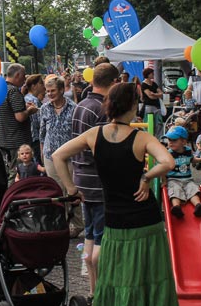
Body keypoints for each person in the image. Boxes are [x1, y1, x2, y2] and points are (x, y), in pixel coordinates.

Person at [53, 83, 178, 305]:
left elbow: (58, 156)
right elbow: (168, 162)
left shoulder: (94, 135)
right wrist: (146, 178)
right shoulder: (141, 137)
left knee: (117, 277)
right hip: (145, 220)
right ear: (132, 106)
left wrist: (71, 189)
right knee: (149, 277)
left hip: (113, 220)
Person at [69, 62, 119, 295]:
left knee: (90, 235)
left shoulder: (81, 105)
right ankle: (102, 289)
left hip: (81, 178)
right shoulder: (102, 110)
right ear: (113, 83)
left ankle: (93, 290)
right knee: (101, 237)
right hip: (97, 180)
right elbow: (104, 148)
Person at [0, 64, 39, 180]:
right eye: (24, 77)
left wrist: (22, 106)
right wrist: (30, 110)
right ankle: (13, 196)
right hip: (17, 141)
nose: (24, 81)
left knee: (10, 171)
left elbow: (6, 112)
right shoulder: (13, 91)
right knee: (17, 174)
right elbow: (20, 117)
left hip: (4, 139)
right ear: (18, 75)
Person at [39, 76, 76, 188]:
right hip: (50, 156)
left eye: (53, 90)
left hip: (69, 157)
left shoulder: (73, 108)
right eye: (48, 91)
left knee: (71, 189)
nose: (49, 94)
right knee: (55, 189)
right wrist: (42, 153)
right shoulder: (44, 108)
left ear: (61, 90)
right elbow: (42, 133)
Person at [163, 126, 201, 218]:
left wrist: (200, 160)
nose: (170, 142)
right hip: (173, 179)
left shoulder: (188, 151)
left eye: (174, 140)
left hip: (188, 179)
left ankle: (198, 205)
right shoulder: (168, 153)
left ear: (183, 142)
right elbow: (163, 167)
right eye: (169, 140)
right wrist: (164, 181)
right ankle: (176, 207)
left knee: (193, 190)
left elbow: (192, 160)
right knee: (175, 191)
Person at [23, 74, 45, 164]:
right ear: (33, 86)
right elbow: (38, 122)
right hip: (35, 137)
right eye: (41, 83)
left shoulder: (27, 98)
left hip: (31, 136)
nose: (43, 85)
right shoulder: (33, 100)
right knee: (38, 161)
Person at [141, 68, 163, 138]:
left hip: (157, 106)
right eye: (152, 73)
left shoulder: (154, 83)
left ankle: (159, 138)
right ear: (148, 74)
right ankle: (149, 138)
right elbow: (150, 96)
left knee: (159, 123)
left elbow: (161, 93)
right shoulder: (144, 84)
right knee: (149, 124)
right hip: (149, 106)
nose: (153, 75)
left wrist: (154, 94)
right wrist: (157, 95)